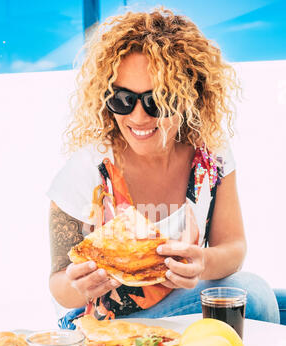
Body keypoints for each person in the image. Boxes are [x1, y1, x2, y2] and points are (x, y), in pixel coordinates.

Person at [48, 7, 282, 326]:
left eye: (158, 100)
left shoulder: (210, 155)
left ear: (189, 96)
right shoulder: (87, 170)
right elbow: (59, 285)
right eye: (122, 99)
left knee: (269, 298)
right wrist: (79, 285)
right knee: (252, 296)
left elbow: (233, 248)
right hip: (101, 322)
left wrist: (201, 264)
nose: (139, 117)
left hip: (180, 300)